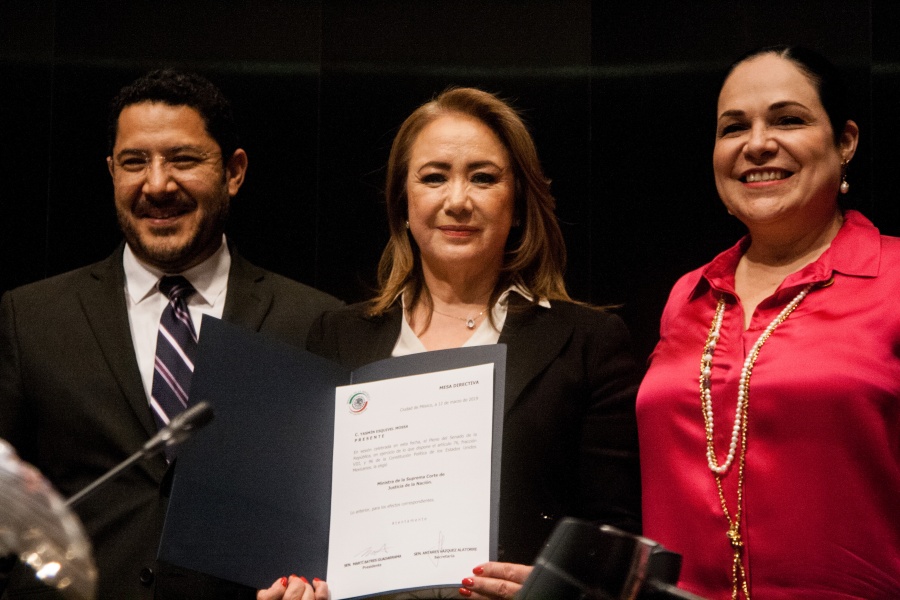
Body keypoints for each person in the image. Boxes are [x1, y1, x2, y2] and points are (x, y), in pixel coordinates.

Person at [0, 70, 340, 600]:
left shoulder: (313, 322)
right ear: (112, 172)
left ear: (233, 171)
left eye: (183, 159)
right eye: (135, 162)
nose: (157, 185)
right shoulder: (33, 316)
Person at [306, 87, 642, 600]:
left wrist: (552, 589)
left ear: (519, 202)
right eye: (434, 177)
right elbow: (309, 520)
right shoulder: (337, 336)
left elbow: (614, 537)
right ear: (403, 200)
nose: (457, 200)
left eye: (483, 178)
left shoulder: (587, 343)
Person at [637, 46, 900, 599]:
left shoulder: (895, 279)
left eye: (788, 119)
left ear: (845, 142)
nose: (756, 144)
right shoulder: (688, 295)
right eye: (734, 127)